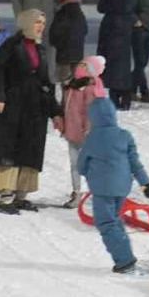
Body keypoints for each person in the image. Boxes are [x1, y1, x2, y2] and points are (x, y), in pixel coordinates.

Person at [0, 9, 63, 214]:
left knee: (31, 149)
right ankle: (5, 196)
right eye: (37, 22)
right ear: (26, 23)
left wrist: (55, 112)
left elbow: (46, 82)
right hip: (13, 106)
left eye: (43, 23)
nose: (41, 26)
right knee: (10, 149)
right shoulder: (10, 45)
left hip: (36, 108)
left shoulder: (41, 49)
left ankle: (21, 195)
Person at [77, 97, 149, 275]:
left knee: (106, 223)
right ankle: (124, 253)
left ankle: (124, 260)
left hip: (102, 188)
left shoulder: (92, 138)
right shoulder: (124, 135)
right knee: (114, 219)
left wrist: (88, 172)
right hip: (122, 187)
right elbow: (135, 163)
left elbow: (81, 165)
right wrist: (146, 183)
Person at [61, 55, 108, 207]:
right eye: (81, 64)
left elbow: (91, 112)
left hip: (86, 134)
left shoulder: (90, 88)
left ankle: (98, 192)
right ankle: (76, 192)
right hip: (72, 131)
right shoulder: (72, 85)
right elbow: (66, 107)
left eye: (85, 65)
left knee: (90, 165)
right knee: (74, 165)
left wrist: (88, 129)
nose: (80, 67)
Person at [12, 0, 65, 79]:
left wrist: (59, 17)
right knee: (28, 51)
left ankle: (49, 79)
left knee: (49, 52)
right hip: (29, 23)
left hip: (49, 23)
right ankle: (28, 79)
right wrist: (20, 17)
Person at [97, 0, 139, 110]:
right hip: (108, 32)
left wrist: (112, 6)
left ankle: (125, 97)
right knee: (110, 66)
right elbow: (101, 7)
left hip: (122, 32)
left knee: (122, 67)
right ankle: (114, 97)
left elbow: (126, 7)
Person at [47, 0, 88, 89]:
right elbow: (85, 31)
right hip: (78, 55)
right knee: (76, 82)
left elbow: (54, 33)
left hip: (63, 56)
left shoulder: (61, 15)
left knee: (63, 83)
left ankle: (65, 99)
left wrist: (56, 44)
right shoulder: (80, 14)